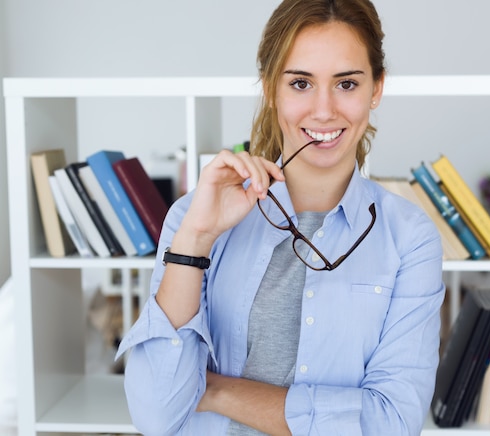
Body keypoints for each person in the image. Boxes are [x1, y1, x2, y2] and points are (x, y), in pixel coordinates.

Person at [116, 0, 445, 434]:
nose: (324, 110)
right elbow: (158, 414)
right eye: (301, 83)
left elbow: (392, 423)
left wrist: (214, 390)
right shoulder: (195, 218)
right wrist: (195, 239)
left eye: (346, 84)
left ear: (376, 89)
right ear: (271, 89)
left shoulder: (409, 238)